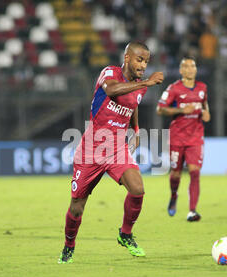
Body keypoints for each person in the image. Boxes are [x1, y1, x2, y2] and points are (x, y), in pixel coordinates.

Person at [58, 41, 164, 263]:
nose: (143, 65)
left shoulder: (140, 86)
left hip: (116, 148)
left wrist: (135, 128)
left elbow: (132, 104)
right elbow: (113, 90)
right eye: (139, 59)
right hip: (91, 148)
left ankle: (125, 234)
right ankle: (69, 246)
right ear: (127, 58)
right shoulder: (110, 72)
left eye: (146, 61)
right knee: (77, 207)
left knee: (137, 189)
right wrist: (146, 81)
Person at [156, 56, 210, 221]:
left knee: (195, 172)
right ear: (181, 71)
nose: (189, 69)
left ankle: (192, 211)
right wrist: (180, 111)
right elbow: (160, 109)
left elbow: (204, 104)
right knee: (176, 175)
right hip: (177, 138)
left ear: (195, 69)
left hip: (195, 137)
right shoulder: (173, 89)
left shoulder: (202, 87)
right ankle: (173, 195)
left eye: (192, 66)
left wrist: (207, 112)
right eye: (186, 66)